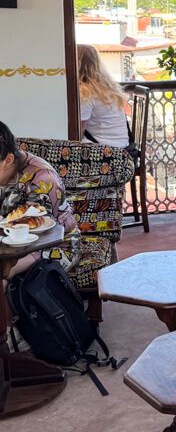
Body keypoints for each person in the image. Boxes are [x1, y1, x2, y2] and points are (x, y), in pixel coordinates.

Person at [0, 121, 78, 279]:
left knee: (4, 276)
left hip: (52, 245)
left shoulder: (41, 179)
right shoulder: (6, 169)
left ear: (8, 160)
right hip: (6, 243)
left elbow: (41, 236)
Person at [77, 44, 129, 148]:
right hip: (122, 146)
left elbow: (78, 132)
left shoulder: (86, 92)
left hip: (105, 152)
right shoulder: (107, 87)